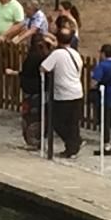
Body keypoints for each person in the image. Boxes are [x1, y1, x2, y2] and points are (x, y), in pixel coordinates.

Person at [40, 27, 84, 158]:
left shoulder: (57, 54)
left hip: (63, 94)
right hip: (77, 91)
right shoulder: (76, 54)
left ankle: (73, 143)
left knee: (57, 122)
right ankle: (73, 147)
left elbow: (43, 67)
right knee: (73, 123)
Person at [16, 32, 52, 149]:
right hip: (41, 90)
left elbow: (25, 73)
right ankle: (39, 139)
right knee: (41, 116)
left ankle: (33, 141)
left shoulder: (32, 57)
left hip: (31, 90)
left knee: (30, 117)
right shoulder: (45, 56)